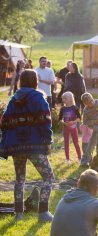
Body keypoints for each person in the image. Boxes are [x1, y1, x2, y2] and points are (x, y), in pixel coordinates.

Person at [0, 69, 55, 222]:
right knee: (49, 177)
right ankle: (43, 213)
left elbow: (3, 123)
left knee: (19, 179)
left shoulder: (13, 100)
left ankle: (18, 215)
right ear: (35, 81)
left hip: (16, 147)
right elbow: (46, 121)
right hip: (34, 145)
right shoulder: (38, 98)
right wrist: (48, 141)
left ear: (21, 81)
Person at [80, 92, 98, 167]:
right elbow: (85, 122)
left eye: (91, 100)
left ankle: (84, 161)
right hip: (94, 126)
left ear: (92, 98)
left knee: (91, 143)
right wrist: (94, 122)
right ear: (85, 104)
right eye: (89, 103)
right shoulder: (86, 110)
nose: (91, 103)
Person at [59, 92, 81, 163]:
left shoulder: (75, 108)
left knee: (76, 142)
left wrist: (73, 122)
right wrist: (64, 122)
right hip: (66, 128)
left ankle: (80, 158)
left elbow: (79, 118)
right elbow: (60, 119)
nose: (63, 100)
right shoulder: (62, 108)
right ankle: (67, 159)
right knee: (66, 143)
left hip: (73, 127)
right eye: (63, 98)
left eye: (65, 98)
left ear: (71, 99)